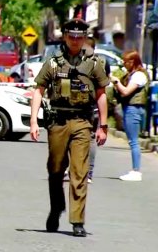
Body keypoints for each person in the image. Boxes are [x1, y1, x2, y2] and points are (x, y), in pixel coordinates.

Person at [30, 18, 110, 237]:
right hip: (58, 122)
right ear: (64, 36)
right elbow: (39, 90)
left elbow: (101, 95)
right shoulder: (54, 62)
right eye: (71, 36)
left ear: (85, 38)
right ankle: (56, 208)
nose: (75, 40)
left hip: (83, 122)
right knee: (55, 169)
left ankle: (77, 220)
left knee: (79, 172)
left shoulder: (94, 63)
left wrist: (103, 125)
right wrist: (34, 120)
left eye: (80, 36)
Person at [110, 50, 149, 181]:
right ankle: (135, 170)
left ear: (132, 62)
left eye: (125, 61)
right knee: (132, 141)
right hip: (130, 108)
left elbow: (126, 91)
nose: (124, 64)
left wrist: (116, 82)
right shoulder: (131, 74)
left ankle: (136, 171)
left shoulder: (139, 75)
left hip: (134, 109)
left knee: (133, 142)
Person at [85, 35, 111, 183]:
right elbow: (105, 85)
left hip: (83, 106)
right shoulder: (103, 62)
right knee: (91, 139)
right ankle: (88, 172)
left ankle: (77, 169)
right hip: (96, 106)